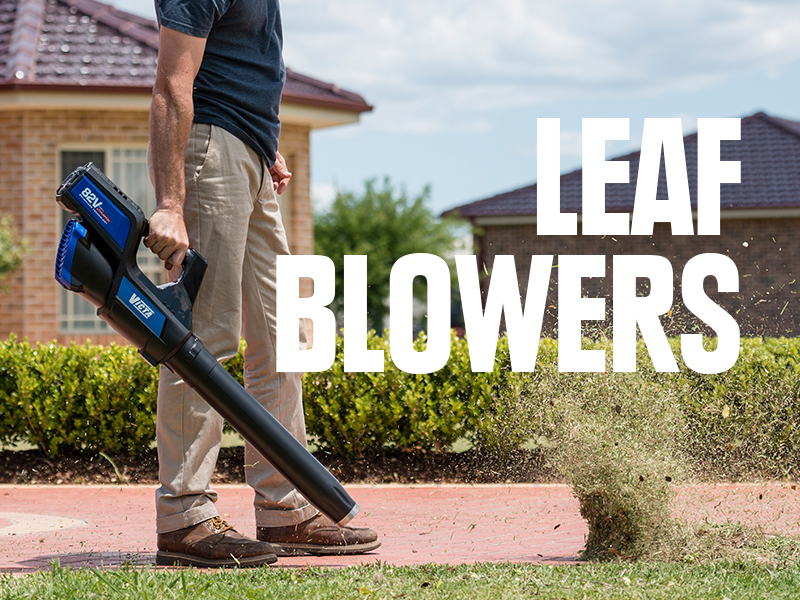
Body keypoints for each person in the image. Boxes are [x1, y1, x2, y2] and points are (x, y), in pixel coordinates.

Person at [145, 0, 380, 568]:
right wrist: (171, 204)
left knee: (281, 337)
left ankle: (285, 507)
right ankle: (185, 516)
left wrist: (262, 141)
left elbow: (237, 64)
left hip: (246, 152)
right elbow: (172, 84)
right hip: (211, 154)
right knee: (202, 340)